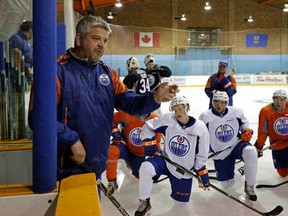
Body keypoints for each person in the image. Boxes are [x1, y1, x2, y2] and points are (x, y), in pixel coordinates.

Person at [28, 15, 179, 182]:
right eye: (96, 39)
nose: (101, 45)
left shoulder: (108, 74)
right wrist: (71, 140)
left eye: (105, 41)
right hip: (65, 171)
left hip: (95, 166)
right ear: (79, 39)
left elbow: (128, 103)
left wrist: (154, 97)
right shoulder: (56, 72)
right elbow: (38, 118)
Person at [135, 95, 210, 216]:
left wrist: (201, 170)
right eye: (175, 109)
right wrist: (149, 143)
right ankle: (144, 201)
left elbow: (203, 152)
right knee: (145, 167)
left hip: (183, 170)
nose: (178, 112)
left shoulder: (200, 128)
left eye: (180, 108)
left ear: (187, 108)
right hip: (165, 161)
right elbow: (148, 126)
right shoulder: (168, 120)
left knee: (180, 205)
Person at [199, 91, 258, 201]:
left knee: (251, 151)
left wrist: (246, 130)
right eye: (216, 101)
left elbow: (244, 124)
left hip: (236, 145)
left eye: (222, 102)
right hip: (220, 153)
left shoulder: (236, 112)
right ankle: (241, 171)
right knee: (227, 185)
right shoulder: (205, 117)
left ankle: (250, 187)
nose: (219, 105)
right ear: (212, 102)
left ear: (227, 103)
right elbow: (200, 137)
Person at [106, 111, 161, 194]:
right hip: (126, 147)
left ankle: (131, 165)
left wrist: (156, 164)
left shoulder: (155, 119)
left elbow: (157, 143)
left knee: (140, 176)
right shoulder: (126, 113)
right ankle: (112, 181)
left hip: (140, 154)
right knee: (112, 151)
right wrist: (115, 133)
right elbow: (109, 119)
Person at [254, 89, 288, 177]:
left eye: (282, 99)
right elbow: (263, 131)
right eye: (276, 99)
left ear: (286, 100)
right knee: (283, 174)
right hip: (276, 145)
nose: (279, 102)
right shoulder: (266, 111)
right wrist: (258, 146)